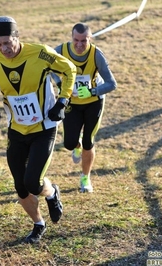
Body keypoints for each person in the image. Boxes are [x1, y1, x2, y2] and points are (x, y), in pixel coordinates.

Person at [0, 16, 77, 244]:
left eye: (7, 42)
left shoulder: (40, 53)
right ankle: (38, 224)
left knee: (33, 182)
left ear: (17, 37)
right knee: (20, 185)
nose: (3, 49)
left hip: (44, 127)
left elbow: (70, 70)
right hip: (16, 129)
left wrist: (62, 102)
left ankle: (52, 192)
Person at [52, 22, 117, 193]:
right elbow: (46, 65)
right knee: (69, 143)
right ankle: (76, 144)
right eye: (76, 40)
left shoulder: (96, 55)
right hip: (72, 102)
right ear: (71, 38)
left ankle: (85, 178)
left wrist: (92, 91)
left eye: (84, 41)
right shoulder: (61, 51)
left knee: (89, 141)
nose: (80, 45)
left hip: (93, 102)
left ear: (90, 39)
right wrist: (59, 83)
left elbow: (112, 84)